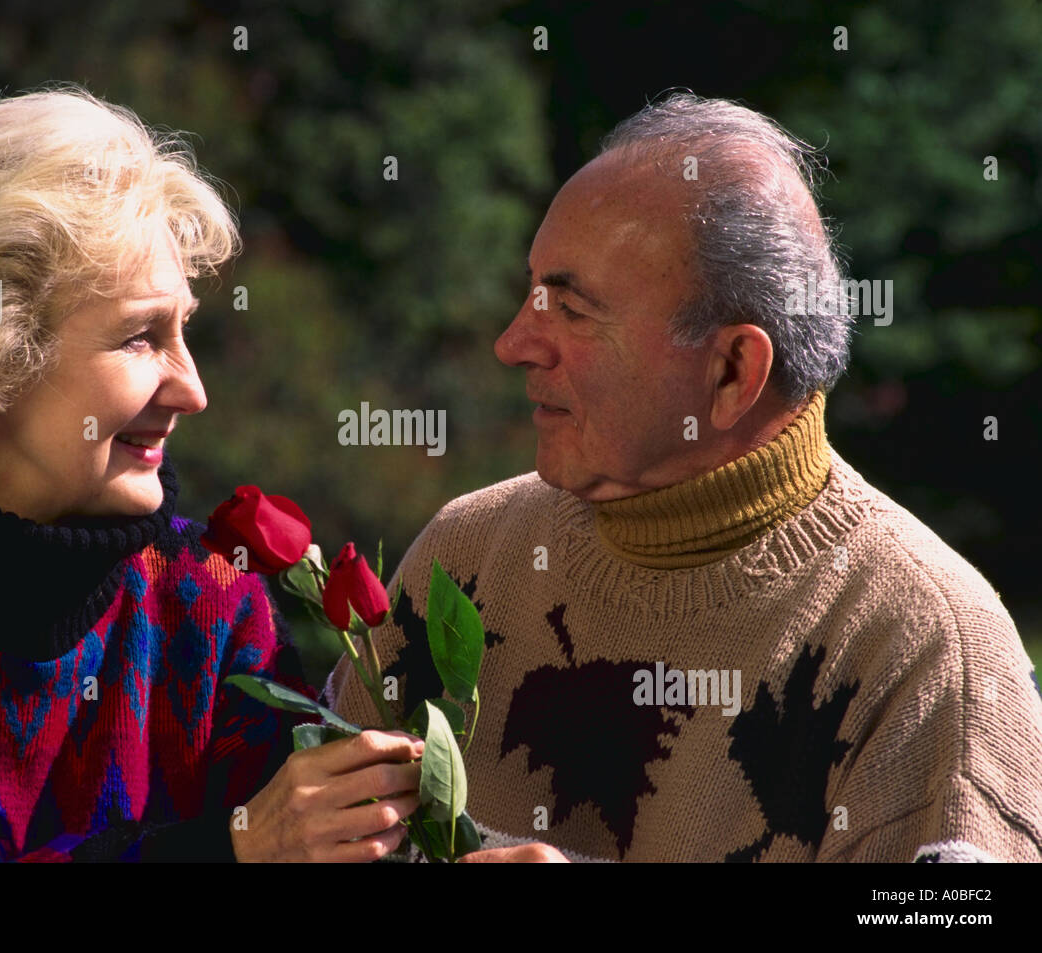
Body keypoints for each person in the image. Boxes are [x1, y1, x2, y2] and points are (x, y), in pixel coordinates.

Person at [328, 92, 1042, 862]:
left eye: (570, 309)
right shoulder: (468, 555)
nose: (513, 344)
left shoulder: (925, 646)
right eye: (530, 294)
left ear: (733, 371)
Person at [0, 87, 420, 862]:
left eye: (184, 330)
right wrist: (226, 850)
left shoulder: (208, 598)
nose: (192, 389)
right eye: (140, 337)